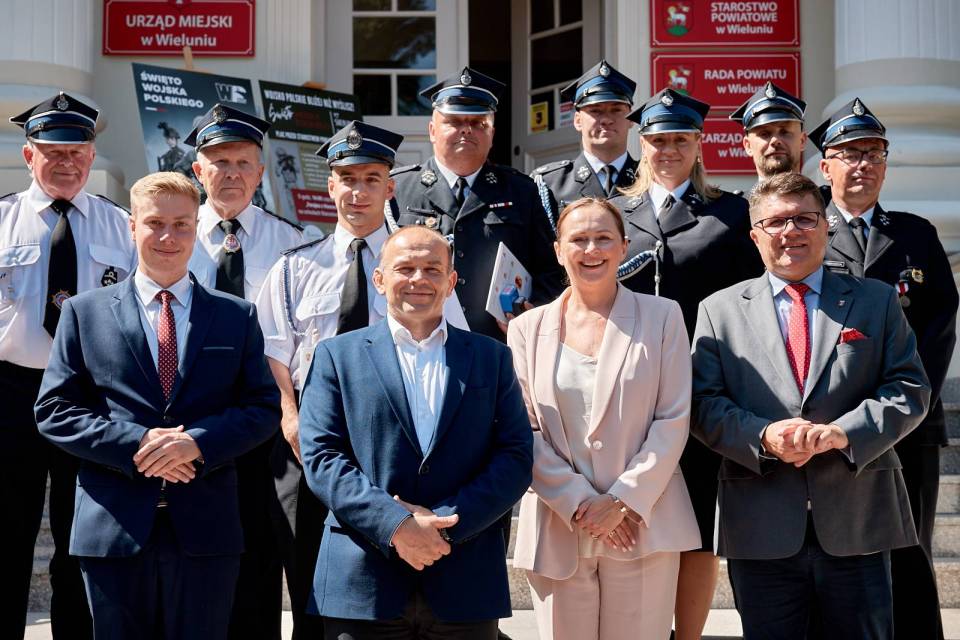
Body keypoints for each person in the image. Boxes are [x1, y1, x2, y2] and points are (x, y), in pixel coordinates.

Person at [33, 171, 281, 640]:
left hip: (206, 527)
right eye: (155, 223)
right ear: (132, 227)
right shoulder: (84, 312)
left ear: (196, 227)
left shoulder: (236, 315)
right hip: (114, 527)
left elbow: (263, 408)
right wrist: (140, 444)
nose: (169, 236)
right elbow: (55, 410)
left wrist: (196, 443)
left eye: (182, 224)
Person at [690, 172, 930, 639]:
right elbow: (703, 404)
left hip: (858, 519)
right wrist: (763, 437)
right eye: (776, 222)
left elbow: (909, 387)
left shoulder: (876, 300)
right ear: (755, 235)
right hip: (761, 524)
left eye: (805, 218)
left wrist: (845, 433)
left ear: (826, 227)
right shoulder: (718, 311)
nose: (791, 231)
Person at [257, 120, 460, 638]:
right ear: (330, 186)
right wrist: (291, 420)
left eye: (371, 179)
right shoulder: (294, 267)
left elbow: (452, 345)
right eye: (347, 178)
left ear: (390, 188)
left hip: (395, 446)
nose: (358, 191)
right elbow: (273, 353)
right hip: (309, 447)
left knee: (388, 593)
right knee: (309, 585)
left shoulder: (419, 264)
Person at [297, 225, 533, 639]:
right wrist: (396, 524)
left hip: (465, 578)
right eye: (405, 268)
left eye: (432, 269)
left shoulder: (492, 357)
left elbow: (514, 457)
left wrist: (444, 525)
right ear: (379, 278)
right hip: (363, 579)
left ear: (451, 281)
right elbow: (322, 457)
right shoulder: (336, 355)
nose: (419, 279)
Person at [507, 198, 700, 640]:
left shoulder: (663, 316)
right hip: (558, 525)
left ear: (624, 246)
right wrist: (581, 503)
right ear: (558, 250)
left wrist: (621, 501)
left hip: (642, 524)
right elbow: (524, 430)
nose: (591, 249)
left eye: (603, 238)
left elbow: (673, 419)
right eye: (578, 239)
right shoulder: (526, 329)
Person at [612, 87, 763, 640]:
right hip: (626, 392)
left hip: (703, 388)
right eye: (658, 140)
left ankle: (689, 635)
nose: (668, 149)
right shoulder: (614, 213)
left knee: (699, 521)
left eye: (680, 139)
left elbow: (752, 304)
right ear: (642, 145)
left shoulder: (730, 213)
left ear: (699, 144)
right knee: (630, 511)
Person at [812, 98, 958, 639]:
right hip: (832, 422)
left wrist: (907, 401)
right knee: (835, 551)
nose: (863, 164)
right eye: (850, 154)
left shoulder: (916, 233)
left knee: (910, 547)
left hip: (908, 423)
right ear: (825, 166)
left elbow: (940, 322)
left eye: (874, 153)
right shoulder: (808, 231)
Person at [1, 92, 136, 640]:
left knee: (82, 537)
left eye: (76, 152)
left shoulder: (121, 226)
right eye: (53, 152)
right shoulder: (1, 220)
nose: (66, 162)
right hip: (9, 393)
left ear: (92, 155)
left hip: (89, 396)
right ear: (28, 155)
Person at [183, 102, 304, 640]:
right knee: (189, 559)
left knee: (259, 556)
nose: (231, 173)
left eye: (242, 163)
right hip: (188, 418)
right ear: (198, 170)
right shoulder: (170, 234)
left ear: (259, 171)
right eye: (219, 162)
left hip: (262, 425)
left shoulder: (293, 243)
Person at [389, 66, 563, 340]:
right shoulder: (398, 190)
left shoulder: (521, 190)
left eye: (478, 123)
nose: (466, 130)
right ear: (432, 131)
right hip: (417, 342)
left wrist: (533, 312)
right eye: (454, 122)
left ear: (492, 134)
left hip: (498, 344)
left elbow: (552, 271)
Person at [531, 60, 639, 216]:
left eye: (616, 110)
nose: (606, 119)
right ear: (577, 121)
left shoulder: (652, 179)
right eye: (595, 111)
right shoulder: (549, 183)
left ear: (631, 119)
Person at [730, 81, 807, 179]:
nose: (775, 140)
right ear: (748, 145)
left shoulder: (821, 190)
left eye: (785, 132)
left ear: (802, 140)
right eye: (764, 134)